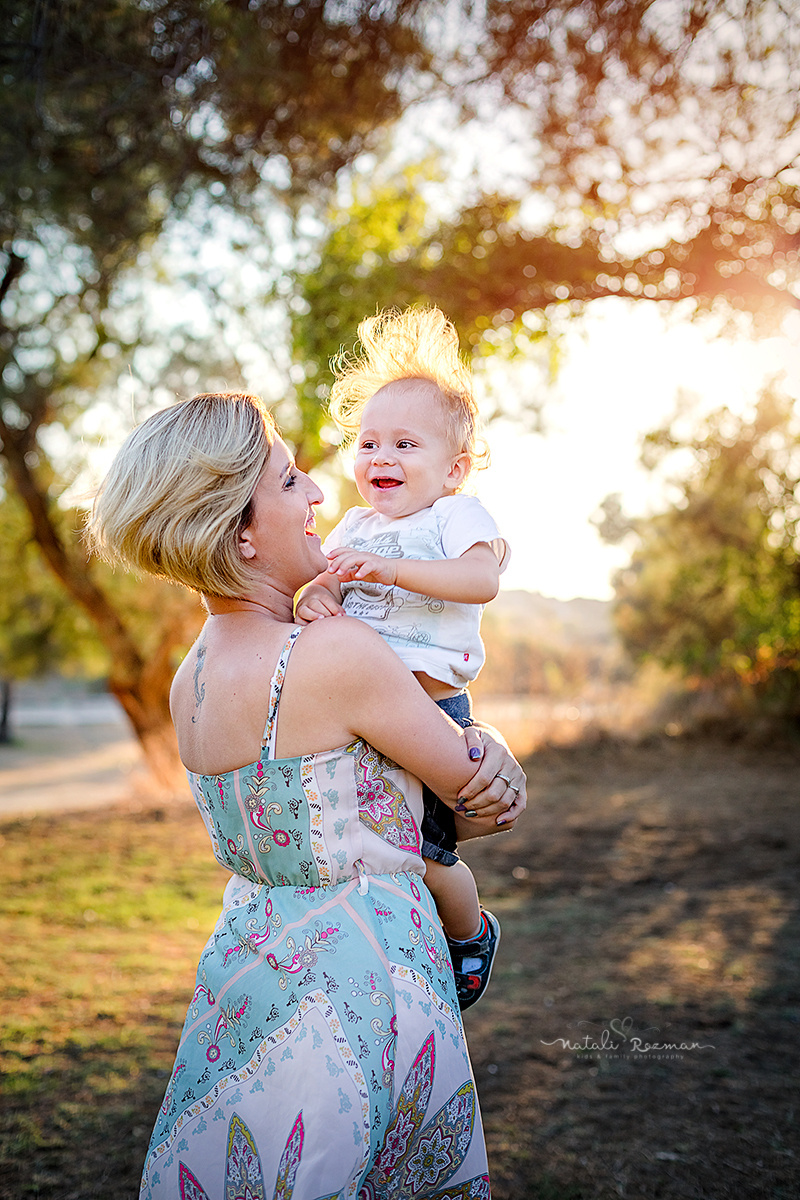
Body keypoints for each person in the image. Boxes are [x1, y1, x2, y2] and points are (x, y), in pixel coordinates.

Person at [88, 390, 526, 1199]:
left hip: (244, 978)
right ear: (240, 533)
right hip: (363, 979)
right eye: (290, 482)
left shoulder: (190, 680)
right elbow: (477, 809)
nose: (323, 493)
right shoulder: (334, 654)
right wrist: (488, 748)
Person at [295, 307, 510, 1010]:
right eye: (368, 442)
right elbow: (325, 580)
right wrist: (317, 599)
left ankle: (470, 932)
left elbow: (480, 581)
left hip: (434, 705)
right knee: (377, 846)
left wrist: (390, 574)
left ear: (454, 468)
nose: (381, 458)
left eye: (405, 445)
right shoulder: (355, 525)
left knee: (429, 853)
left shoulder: (456, 516)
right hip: (370, 713)